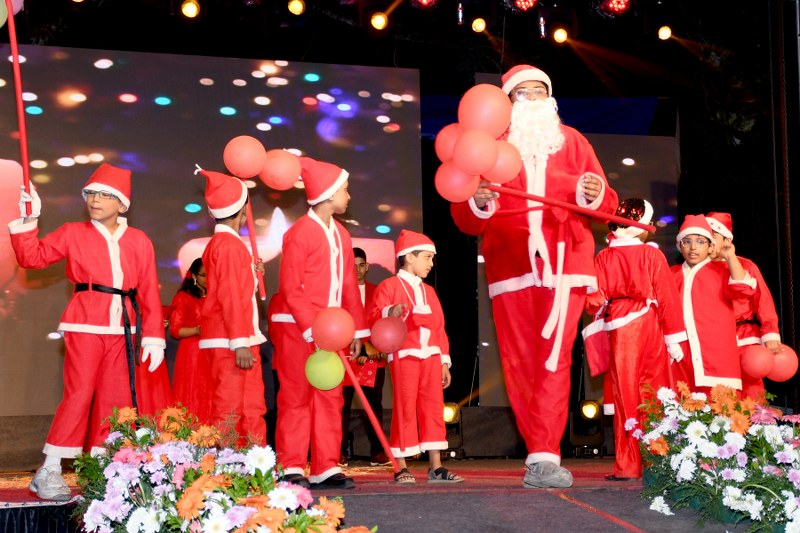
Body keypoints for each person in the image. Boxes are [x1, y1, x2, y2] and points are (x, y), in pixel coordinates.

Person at [450, 64, 618, 488]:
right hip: (510, 266)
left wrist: (595, 193)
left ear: (551, 98)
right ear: (507, 102)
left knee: (554, 358)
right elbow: (465, 217)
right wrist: (477, 199)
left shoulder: (572, 141)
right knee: (518, 361)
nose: (532, 100)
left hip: (565, 264)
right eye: (521, 94)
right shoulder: (490, 147)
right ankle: (538, 454)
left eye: (539, 91)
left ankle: (544, 454)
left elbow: (606, 202)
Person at [10, 164, 167, 501]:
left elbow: (149, 292)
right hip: (84, 323)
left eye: (105, 194)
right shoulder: (72, 232)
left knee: (116, 400)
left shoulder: (139, 240)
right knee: (79, 393)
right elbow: (32, 258)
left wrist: (154, 336)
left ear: (122, 204)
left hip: (123, 327)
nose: (95, 199)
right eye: (91, 193)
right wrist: (29, 220)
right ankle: (51, 468)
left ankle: (103, 469)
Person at [268, 156, 368, 490]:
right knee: (296, 394)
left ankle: (325, 466)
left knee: (330, 395)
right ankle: (292, 464)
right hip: (298, 328)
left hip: (331, 331)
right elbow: (290, 287)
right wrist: (313, 329)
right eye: (345, 190)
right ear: (327, 194)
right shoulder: (299, 233)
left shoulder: (342, 234)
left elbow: (350, 286)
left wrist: (357, 330)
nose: (349, 196)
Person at [584, 199, 687, 481]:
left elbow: (593, 301)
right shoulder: (652, 255)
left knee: (625, 395)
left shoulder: (604, 257)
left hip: (620, 327)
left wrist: (601, 302)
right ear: (643, 226)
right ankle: (657, 463)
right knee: (654, 391)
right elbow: (667, 298)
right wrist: (673, 338)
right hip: (649, 323)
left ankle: (628, 465)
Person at [369, 229, 463, 485]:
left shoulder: (429, 291)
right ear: (409, 257)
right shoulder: (389, 286)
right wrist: (391, 311)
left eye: (432, 259)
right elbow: (375, 316)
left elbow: (439, 327)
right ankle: (401, 466)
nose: (431, 264)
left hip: (430, 356)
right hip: (404, 355)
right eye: (427, 258)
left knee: (433, 408)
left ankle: (436, 466)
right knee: (405, 408)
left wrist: (444, 361)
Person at [198, 168, 267, 446]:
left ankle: (256, 462)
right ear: (243, 209)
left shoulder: (229, 244)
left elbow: (236, 289)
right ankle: (225, 467)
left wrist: (253, 273)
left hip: (238, 337)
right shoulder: (227, 245)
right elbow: (229, 295)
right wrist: (239, 342)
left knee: (252, 406)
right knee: (228, 409)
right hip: (230, 339)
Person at [670, 215, 755, 394]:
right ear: (679, 246)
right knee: (680, 404)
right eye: (687, 241)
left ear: (710, 247)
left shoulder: (722, 270)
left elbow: (744, 290)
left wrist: (730, 257)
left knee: (723, 407)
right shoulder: (671, 274)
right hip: (681, 357)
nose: (693, 247)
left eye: (700, 241)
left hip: (717, 357)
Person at [706, 212, 782, 400]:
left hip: (746, 338)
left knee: (751, 389)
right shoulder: (698, 270)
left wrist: (770, 332)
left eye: (713, 236)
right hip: (714, 340)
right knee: (719, 392)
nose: (709, 241)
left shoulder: (745, 265)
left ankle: (758, 418)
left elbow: (763, 301)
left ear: (726, 240)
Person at [340, 247, 391, 467]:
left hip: (373, 355)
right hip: (346, 355)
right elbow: (337, 323)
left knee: (374, 405)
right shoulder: (339, 293)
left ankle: (377, 451)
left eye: (361, 265)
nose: (358, 270)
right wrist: (359, 349)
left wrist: (372, 346)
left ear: (367, 266)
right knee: (342, 406)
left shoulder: (377, 291)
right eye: (353, 266)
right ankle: (338, 452)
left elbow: (382, 323)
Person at [169, 257, 212, 423]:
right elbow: (175, 330)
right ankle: (191, 432)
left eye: (211, 274)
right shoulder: (183, 297)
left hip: (213, 351)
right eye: (204, 275)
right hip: (192, 353)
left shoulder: (216, 295)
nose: (208, 279)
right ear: (194, 275)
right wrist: (197, 330)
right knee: (193, 392)